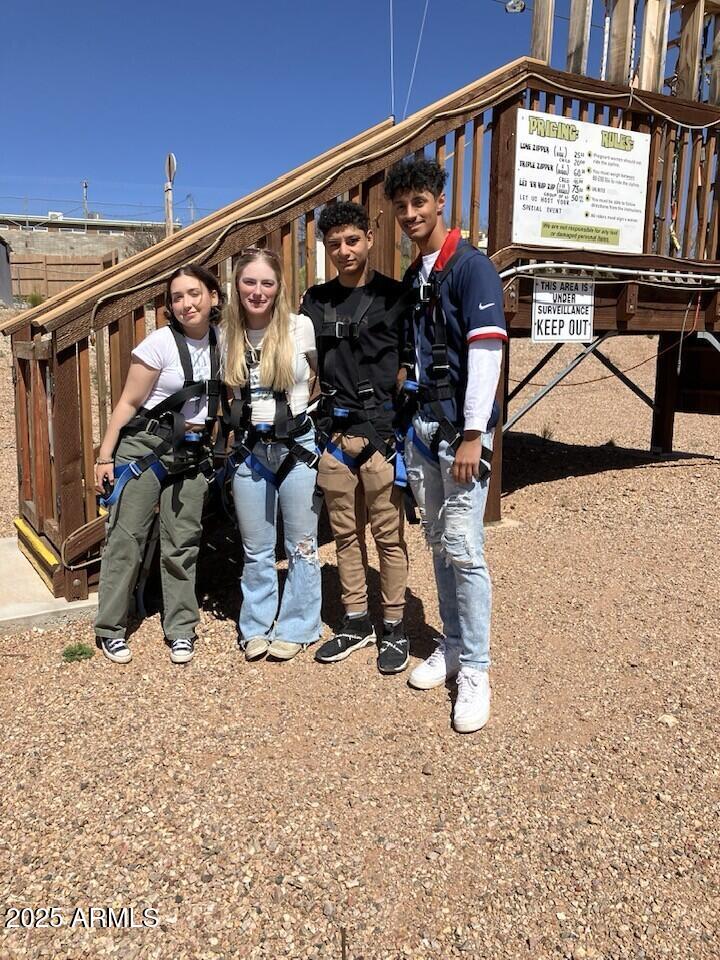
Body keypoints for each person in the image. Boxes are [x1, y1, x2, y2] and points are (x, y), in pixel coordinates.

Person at [384, 157, 507, 732]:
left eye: (419, 203)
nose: (411, 214)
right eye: (402, 206)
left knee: (465, 547)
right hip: (423, 428)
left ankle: (477, 669)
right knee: (437, 543)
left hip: (460, 431)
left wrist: (474, 435)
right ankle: (453, 643)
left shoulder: (471, 268)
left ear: (439, 201)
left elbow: (485, 354)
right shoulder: (417, 276)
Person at [300, 201, 411, 674]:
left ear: (369, 237)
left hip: (380, 435)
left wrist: (396, 433)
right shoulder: (315, 301)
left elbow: (407, 367)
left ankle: (395, 627)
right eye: (334, 244)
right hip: (334, 437)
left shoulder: (395, 297)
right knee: (345, 537)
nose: (344, 251)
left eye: (351, 240)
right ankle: (356, 620)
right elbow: (304, 368)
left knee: (389, 538)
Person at [94, 264, 224, 665]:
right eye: (177, 297)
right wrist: (105, 455)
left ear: (213, 297)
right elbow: (129, 402)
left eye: (193, 293)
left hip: (193, 452)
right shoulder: (159, 344)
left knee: (182, 541)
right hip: (146, 449)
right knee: (126, 538)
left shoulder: (222, 341)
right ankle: (110, 628)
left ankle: (181, 627)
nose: (185, 303)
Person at [223, 247, 321, 661]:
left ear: (279, 287)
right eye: (249, 282)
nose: (257, 291)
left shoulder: (300, 327)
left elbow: (316, 376)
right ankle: (257, 624)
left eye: (267, 283)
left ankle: (299, 624)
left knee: (301, 542)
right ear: (237, 286)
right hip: (250, 449)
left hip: (296, 444)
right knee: (257, 547)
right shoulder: (226, 333)